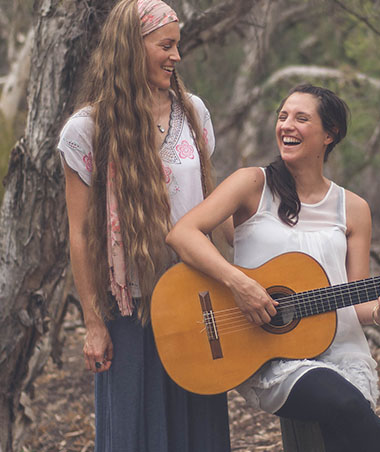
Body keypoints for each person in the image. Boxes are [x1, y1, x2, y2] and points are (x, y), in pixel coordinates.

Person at [167, 83, 380, 451]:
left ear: (330, 134)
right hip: (271, 352)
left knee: (346, 429)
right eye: (282, 117)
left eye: (301, 118)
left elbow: (356, 302)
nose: (286, 125)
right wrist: (239, 283)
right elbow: (182, 234)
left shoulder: (354, 208)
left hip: (341, 349)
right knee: (345, 404)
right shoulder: (252, 184)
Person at [58, 0, 231, 450]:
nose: (176, 56)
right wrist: (93, 324)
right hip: (129, 311)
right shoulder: (87, 129)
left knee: (200, 433)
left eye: (178, 45)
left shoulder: (193, 113)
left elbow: (212, 204)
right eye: (165, 45)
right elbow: (79, 233)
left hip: (197, 300)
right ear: (131, 49)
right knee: (135, 435)